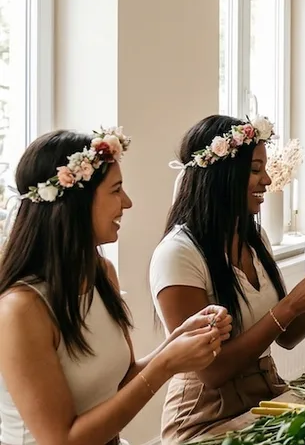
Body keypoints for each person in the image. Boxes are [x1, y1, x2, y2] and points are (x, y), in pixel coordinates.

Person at [0, 129, 229, 445]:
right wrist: (165, 365)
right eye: (116, 190)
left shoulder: (102, 273)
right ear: (75, 201)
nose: (128, 202)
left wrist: (178, 341)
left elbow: (121, 382)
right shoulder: (20, 309)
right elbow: (62, 440)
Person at [149, 115, 305, 444]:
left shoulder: (255, 237)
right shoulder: (178, 254)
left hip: (266, 395)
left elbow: (286, 339)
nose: (267, 180)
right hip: (205, 415)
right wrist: (289, 305)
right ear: (223, 176)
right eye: (256, 169)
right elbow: (212, 372)